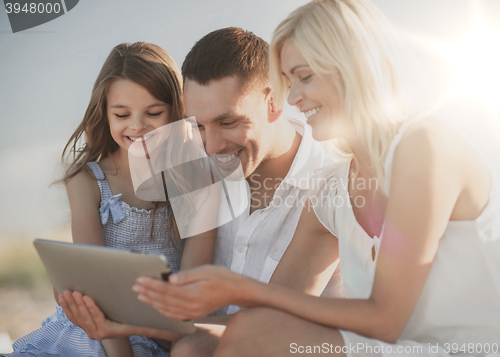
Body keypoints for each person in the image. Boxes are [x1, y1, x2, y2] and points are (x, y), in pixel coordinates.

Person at [130, 1, 500, 356]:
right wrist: (130, 325)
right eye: (289, 81)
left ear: (355, 67)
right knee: (204, 346)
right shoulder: (332, 187)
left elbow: (386, 319)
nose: (293, 98)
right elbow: (271, 317)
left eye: (304, 78)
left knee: (249, 335)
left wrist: (242, 289)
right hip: (383, 348)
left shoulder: (424, 144)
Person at [59, 27, 345, 357]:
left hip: (291, 344)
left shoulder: (329, 183)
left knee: (191, 349)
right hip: (203, 339)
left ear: (274, 102)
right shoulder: (195, 170)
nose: (212, 146)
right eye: (198, 125)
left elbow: (269, 326)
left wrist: (130, 326)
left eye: (228, 122)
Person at [10, 42, 215, 357]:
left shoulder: (197, 180)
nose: (137, 126)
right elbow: (94, 289)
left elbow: (191, 295)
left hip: (162, 334)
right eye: (122, 114)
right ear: (105, 114)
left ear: (177, 110)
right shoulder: (86, 181)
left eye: (154, 112)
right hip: (94, 333)